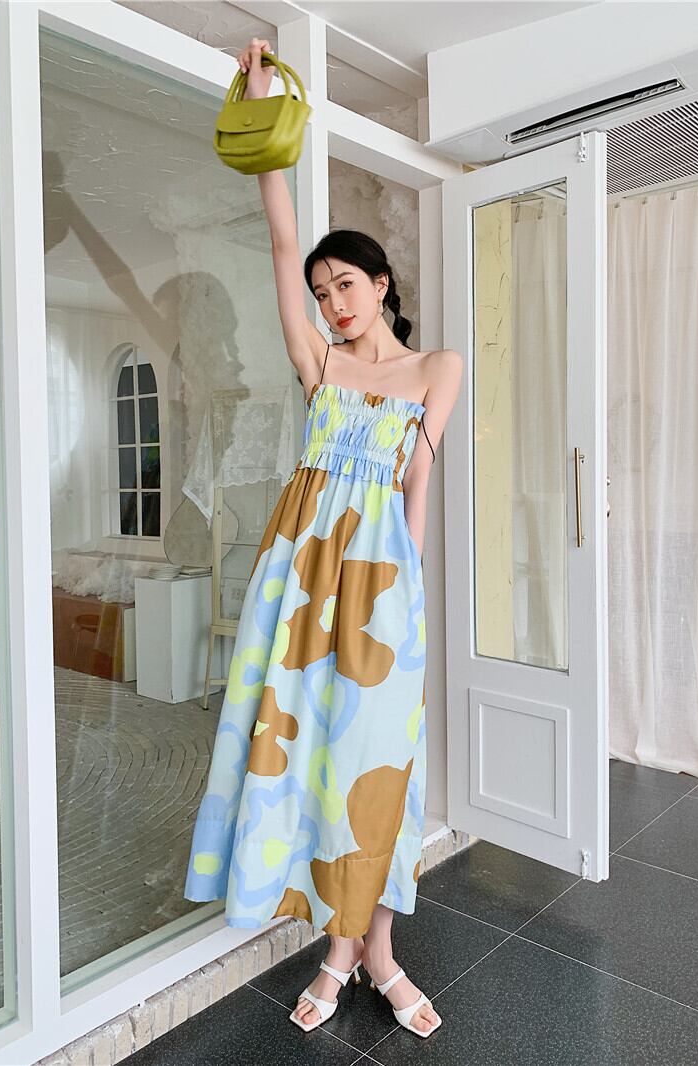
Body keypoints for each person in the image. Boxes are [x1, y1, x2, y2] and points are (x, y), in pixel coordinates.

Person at [183, 37, 462, 1038]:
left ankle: (371, 953)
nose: (332, 303)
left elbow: (416, 482)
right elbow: (277, 242)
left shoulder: (436, 368)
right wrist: (262, 108)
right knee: (303, 758)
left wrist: (408, 595)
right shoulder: (321, 367)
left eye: (345, 284)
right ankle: (343, 954)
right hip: (298, 582)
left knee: (374, 769)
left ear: (381, 283)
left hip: (382, 589)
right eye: (321, 292)